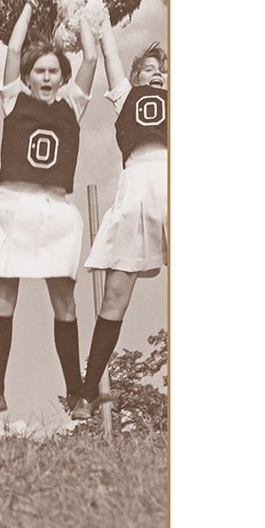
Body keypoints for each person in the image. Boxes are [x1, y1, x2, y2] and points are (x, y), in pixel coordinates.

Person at [0, 0, 98, 415]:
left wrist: (80, 14)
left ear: (62, 77)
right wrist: (28, 7)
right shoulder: (14, 101)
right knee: (3, 302)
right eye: (39, 71)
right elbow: (13, 50)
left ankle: (76, 392)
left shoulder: (72, 106)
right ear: (28, 77)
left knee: (65, 304)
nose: (46, 77)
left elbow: (91, 57)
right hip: (13, 205)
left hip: (55, 210)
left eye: (53, 71)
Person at [72, 31, 168, 420]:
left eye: (163, 70)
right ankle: (87, 392)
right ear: (135, 76)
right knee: (114, 294)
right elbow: (110, 53)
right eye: (149, 69)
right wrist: (101, 19)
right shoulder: (127, 96)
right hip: (136, 186)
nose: (158, 74)